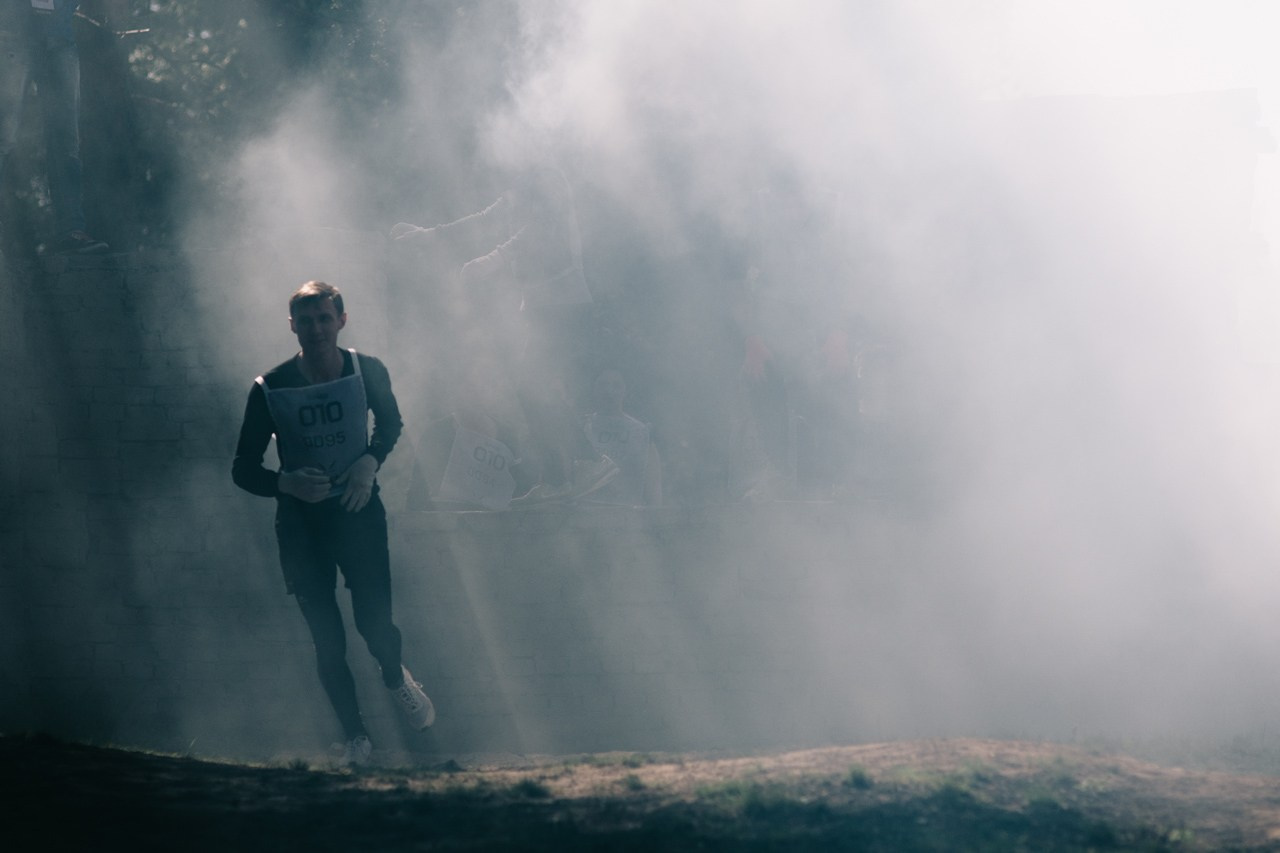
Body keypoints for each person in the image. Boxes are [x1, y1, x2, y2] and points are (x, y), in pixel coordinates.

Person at [232, 280, 433, 766]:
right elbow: (243, 468)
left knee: (374, 622)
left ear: (341, 320)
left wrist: (369, 461)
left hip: (359, 512)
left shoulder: (367, 370)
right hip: (302, 526)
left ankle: (393, 676)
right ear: (292, 326)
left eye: (325, 317)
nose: (316, 328)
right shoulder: (270, 387)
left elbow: (391, 423)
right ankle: (357, 737)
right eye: (306, 320)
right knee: (327, 638)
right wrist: (286, 483)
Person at [0, 0, 109, 255]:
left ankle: (72, 231)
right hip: (13, 36)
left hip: (60, 40)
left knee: (66, 144)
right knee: (4, 137)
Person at [581, 368, 662, 506]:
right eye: (603, 384)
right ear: (593, 389)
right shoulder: (582, 428)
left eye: (616, 385)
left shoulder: (640, 432)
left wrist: (653, 519)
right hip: (584, 518)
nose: (609, 391)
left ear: (625, 390)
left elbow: (653, 488)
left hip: (628, 520)